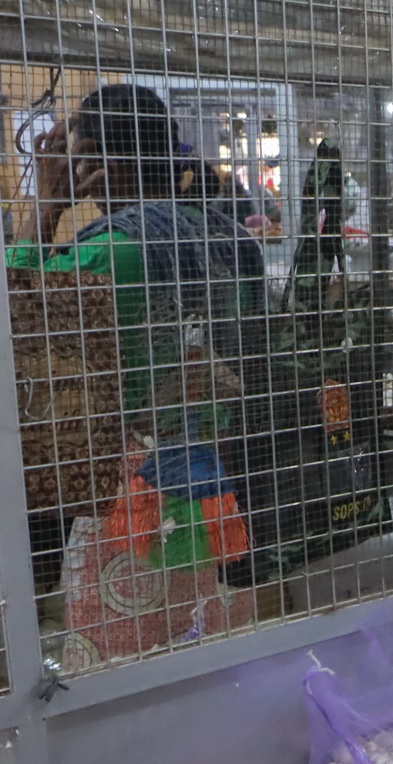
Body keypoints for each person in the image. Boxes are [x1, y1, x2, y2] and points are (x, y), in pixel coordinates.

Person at [9, 83, 267, 572]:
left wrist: (47, 204)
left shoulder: (108, 254)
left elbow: (14, 314)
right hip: (227, 487)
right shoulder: (234, 238)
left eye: (80, 158)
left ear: (104, 164)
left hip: (129, 503)